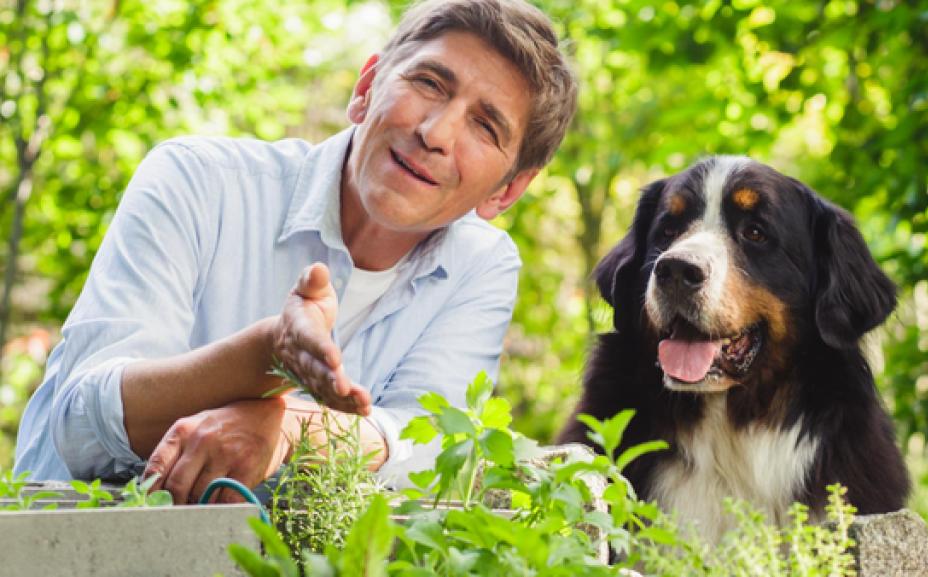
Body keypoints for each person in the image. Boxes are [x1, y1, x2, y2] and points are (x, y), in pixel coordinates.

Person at [14, 0, 577, 504]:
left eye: (485, 126)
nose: (436, 132)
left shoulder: (482, 266)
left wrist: (287, 429)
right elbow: (83, 421)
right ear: (366, 88)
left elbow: (428, 446)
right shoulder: (196, 179)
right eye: (429, 83)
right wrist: (265, 357)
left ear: (507, 190)